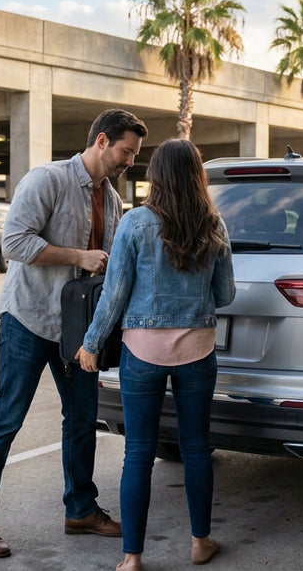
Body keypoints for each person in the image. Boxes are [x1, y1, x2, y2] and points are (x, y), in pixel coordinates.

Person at [0, 109, 148, 558]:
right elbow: (14, 244)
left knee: (82, 419)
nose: (130, 162)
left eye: (135, 156)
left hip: (79, 333)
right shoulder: (47, 179)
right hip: (28, 318)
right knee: (7, 418)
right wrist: (78, 257)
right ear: (102, 141)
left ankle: (81, 509)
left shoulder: (114, 200)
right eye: (126, 152)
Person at [79, 139, 235, 571]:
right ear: (197, 176)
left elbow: (114, 295)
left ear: (157, 176)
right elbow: (226, 294)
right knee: (197, 449)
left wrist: (91, 343)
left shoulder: (135, 223)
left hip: (141, 354)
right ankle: (200, 543)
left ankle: (132, 557)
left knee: (138, 453)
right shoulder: (214, 225)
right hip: (198, 352)